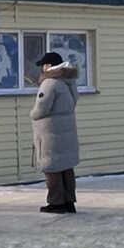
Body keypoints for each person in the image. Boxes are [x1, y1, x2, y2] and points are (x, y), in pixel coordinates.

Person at [31, 51, 80, 213]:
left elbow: (41, 108)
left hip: (51, 132)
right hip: (66, 130)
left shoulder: (49, 83)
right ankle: (68, 201)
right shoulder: (68, 81)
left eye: (44, 65)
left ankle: (56, 202)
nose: (42, 69)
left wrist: (32, 115)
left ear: (49, 66)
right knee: (65, 167)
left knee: (52, 167)